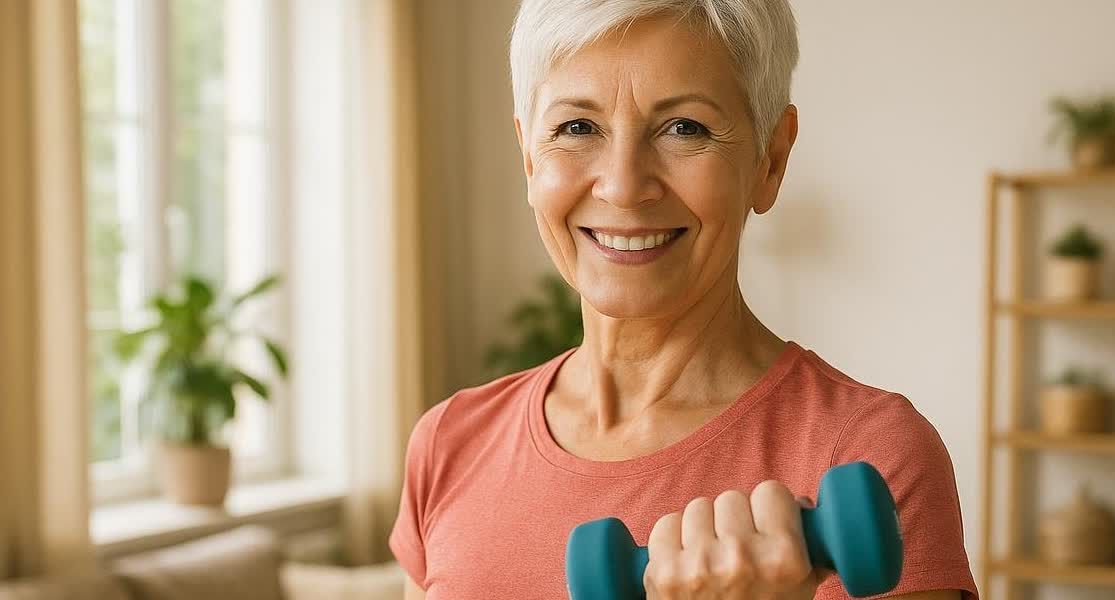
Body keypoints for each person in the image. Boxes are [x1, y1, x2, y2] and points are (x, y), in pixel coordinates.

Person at [391, 1, 976, 598]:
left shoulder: (869, 456)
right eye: (576, 128)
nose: (622, 186)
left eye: (685, 128)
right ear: (528, 156)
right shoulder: (450, 442)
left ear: (770, 161)